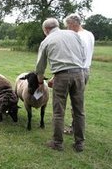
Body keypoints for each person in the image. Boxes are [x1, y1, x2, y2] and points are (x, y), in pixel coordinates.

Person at [36, 18, 86, 152]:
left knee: (59, 111)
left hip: (61, 77)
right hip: (79, 74)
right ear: (57, 26)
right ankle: (80, 144)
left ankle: (57, 143)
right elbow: (83, 56)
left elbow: (40, 67)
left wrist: (41, 82)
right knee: (79, 111)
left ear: (46, 30)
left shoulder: (46, 41)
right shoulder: (74, 35)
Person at [63, 13, 95, 135]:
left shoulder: (77, 36)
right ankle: (75, 126)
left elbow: (73, 56)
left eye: (67, 26)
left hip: (77, 70)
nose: (67, 29)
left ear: (72, 24)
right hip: (87, 69)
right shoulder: (89, 34)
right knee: (78, 100)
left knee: (74, 102)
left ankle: (74, 128)